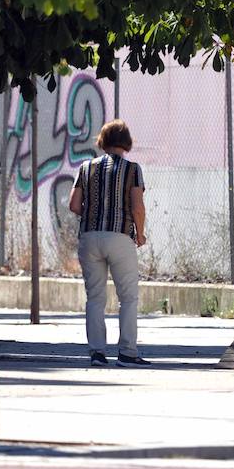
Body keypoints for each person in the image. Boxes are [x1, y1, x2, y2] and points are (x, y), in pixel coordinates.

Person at [68, 119, 149, 368]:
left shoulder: (85, 168)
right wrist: (141, 233)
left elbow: (73, 205)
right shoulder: (132, 169)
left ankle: (97, 353)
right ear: (126, 142)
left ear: (102, 140)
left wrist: (95, 214)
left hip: (90, 236)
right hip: (120, 236)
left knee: (95, 297)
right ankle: (127, 352)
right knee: (128, 297)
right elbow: (137, 206)